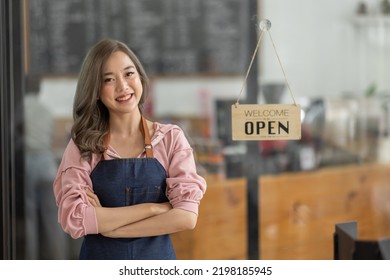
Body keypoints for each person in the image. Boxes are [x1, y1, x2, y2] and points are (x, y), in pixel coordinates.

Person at [53, 38, 207, 260]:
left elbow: (186, 217)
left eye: (128, 74)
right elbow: (76, 219)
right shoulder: (84, 144)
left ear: (140, 77)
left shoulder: (170, 139)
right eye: (108, 79)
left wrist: (109, 227)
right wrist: (154, 209)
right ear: (96, 90)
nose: (123, 87)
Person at [24, 75, 68, 259]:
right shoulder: (47, 111)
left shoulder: (18, 108)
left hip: (26, 162)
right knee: (53, 218)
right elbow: (51, 138)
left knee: (29, 218)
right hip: (47, 163)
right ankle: (58, 261)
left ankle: (28, 262)